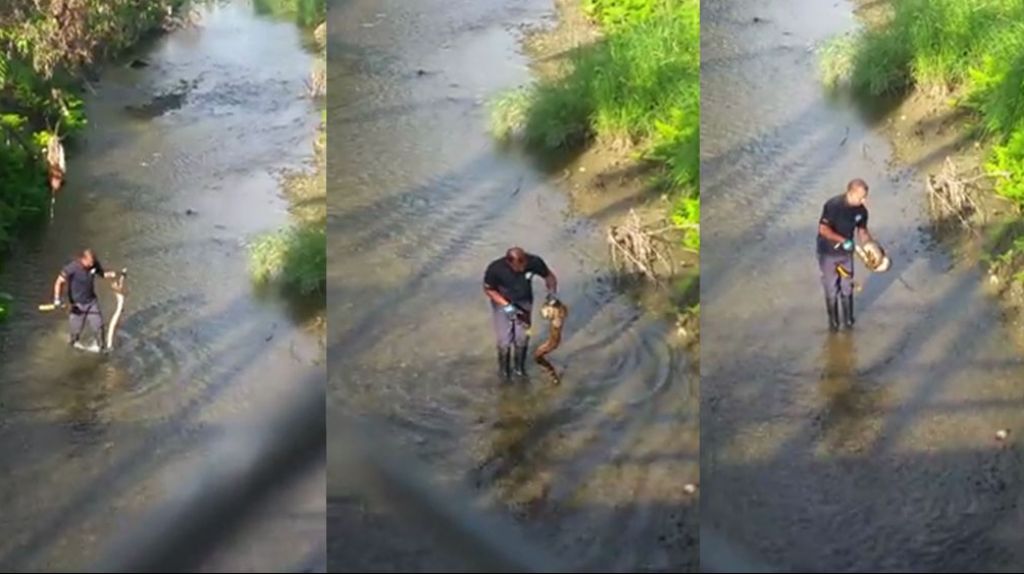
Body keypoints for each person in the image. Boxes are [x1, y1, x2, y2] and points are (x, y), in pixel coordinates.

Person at [483, 247, 558, 379]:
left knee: (523, 337)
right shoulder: (495, 269)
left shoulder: (534, 262)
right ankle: (504, 373)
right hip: (503, 304)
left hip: (525, 303)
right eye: (519, 267)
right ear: (509, 262)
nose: (523, 269)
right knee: (504, 341)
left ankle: (520, 369)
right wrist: (506, 306)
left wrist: (552, 295)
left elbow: (550, 277)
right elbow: (489, 290)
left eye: (524, 265)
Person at [817, 178, 874, 331]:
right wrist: (843, 241)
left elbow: (862, 232)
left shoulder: (862, 211)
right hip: (828, 252)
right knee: (831, 288)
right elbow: (823, 230)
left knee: (847, 286)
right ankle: (834, 324)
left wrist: (872, 247)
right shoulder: (833, 205)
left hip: (846, 254)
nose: (864, 200)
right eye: (861, 197)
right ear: (851, 193)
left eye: (865, 197)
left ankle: (849, 321)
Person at [52, 248, 120, 352]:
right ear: (83, 260)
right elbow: (59, 282)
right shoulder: (72, 268)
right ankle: (72, 347)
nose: (93, 264)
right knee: (76, 331)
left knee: (99, 325)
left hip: (92, 302)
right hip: (77, 305)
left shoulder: (94, 265)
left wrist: (114, 274)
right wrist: (57, 299)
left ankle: (101, 348)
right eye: (90, 262)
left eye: (93, 262)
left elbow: (101, 274)